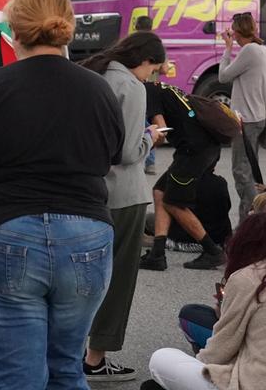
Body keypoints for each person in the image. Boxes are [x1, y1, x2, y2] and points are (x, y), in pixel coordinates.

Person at [0, 0, 124, 388]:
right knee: (67, 368)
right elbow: (110, 159)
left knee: (16, 376)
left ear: (13, 30)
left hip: (5, 230)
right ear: (67, 26)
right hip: (86, 234)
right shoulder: (99, 89)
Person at [143, 212, 266, 390]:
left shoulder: (249, 277)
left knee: (161, 359)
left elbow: (221, 348)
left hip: (261, 383)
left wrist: (195, 367)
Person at [79, 32, 168, 382]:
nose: (151, 76)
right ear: (144, 61)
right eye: (153, 69)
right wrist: (151, 137)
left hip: (88, 192)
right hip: (124, 195)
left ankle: (72, 351)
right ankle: (96, 358)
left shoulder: (93, 74)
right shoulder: (131, 87)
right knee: (116, 281)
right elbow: (128, 152)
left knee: (83, 278)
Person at [140, 82, 228, 271]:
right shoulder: (162, 87)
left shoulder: (148, 91)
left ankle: (213, 251)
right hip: (204, 147)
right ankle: (157, 254)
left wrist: (141, 149)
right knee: (160, 191)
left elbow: (161, 130)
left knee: (174, 202)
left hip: (193, 151)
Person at [218, 12, 266, 218]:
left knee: (241, 172)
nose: (231, 34)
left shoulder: (249, 50)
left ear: (238, 32)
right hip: (257, 116)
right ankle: (250, 221)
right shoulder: (263, 50)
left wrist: (228, 48)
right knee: (250, 170)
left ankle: (254, 216)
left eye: (233, 30)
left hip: (245, 119)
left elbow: (223, 76)